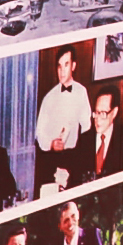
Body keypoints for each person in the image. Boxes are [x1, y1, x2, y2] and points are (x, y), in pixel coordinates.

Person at [35, 48, 93, 192]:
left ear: (73, 66)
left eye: (66, 65)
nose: (62, 71)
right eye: (59, 66)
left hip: (73, 158)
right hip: (51, 159)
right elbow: (39, 133)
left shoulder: (81, 92)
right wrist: (51, 144)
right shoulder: (49, 97)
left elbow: (87, 127)